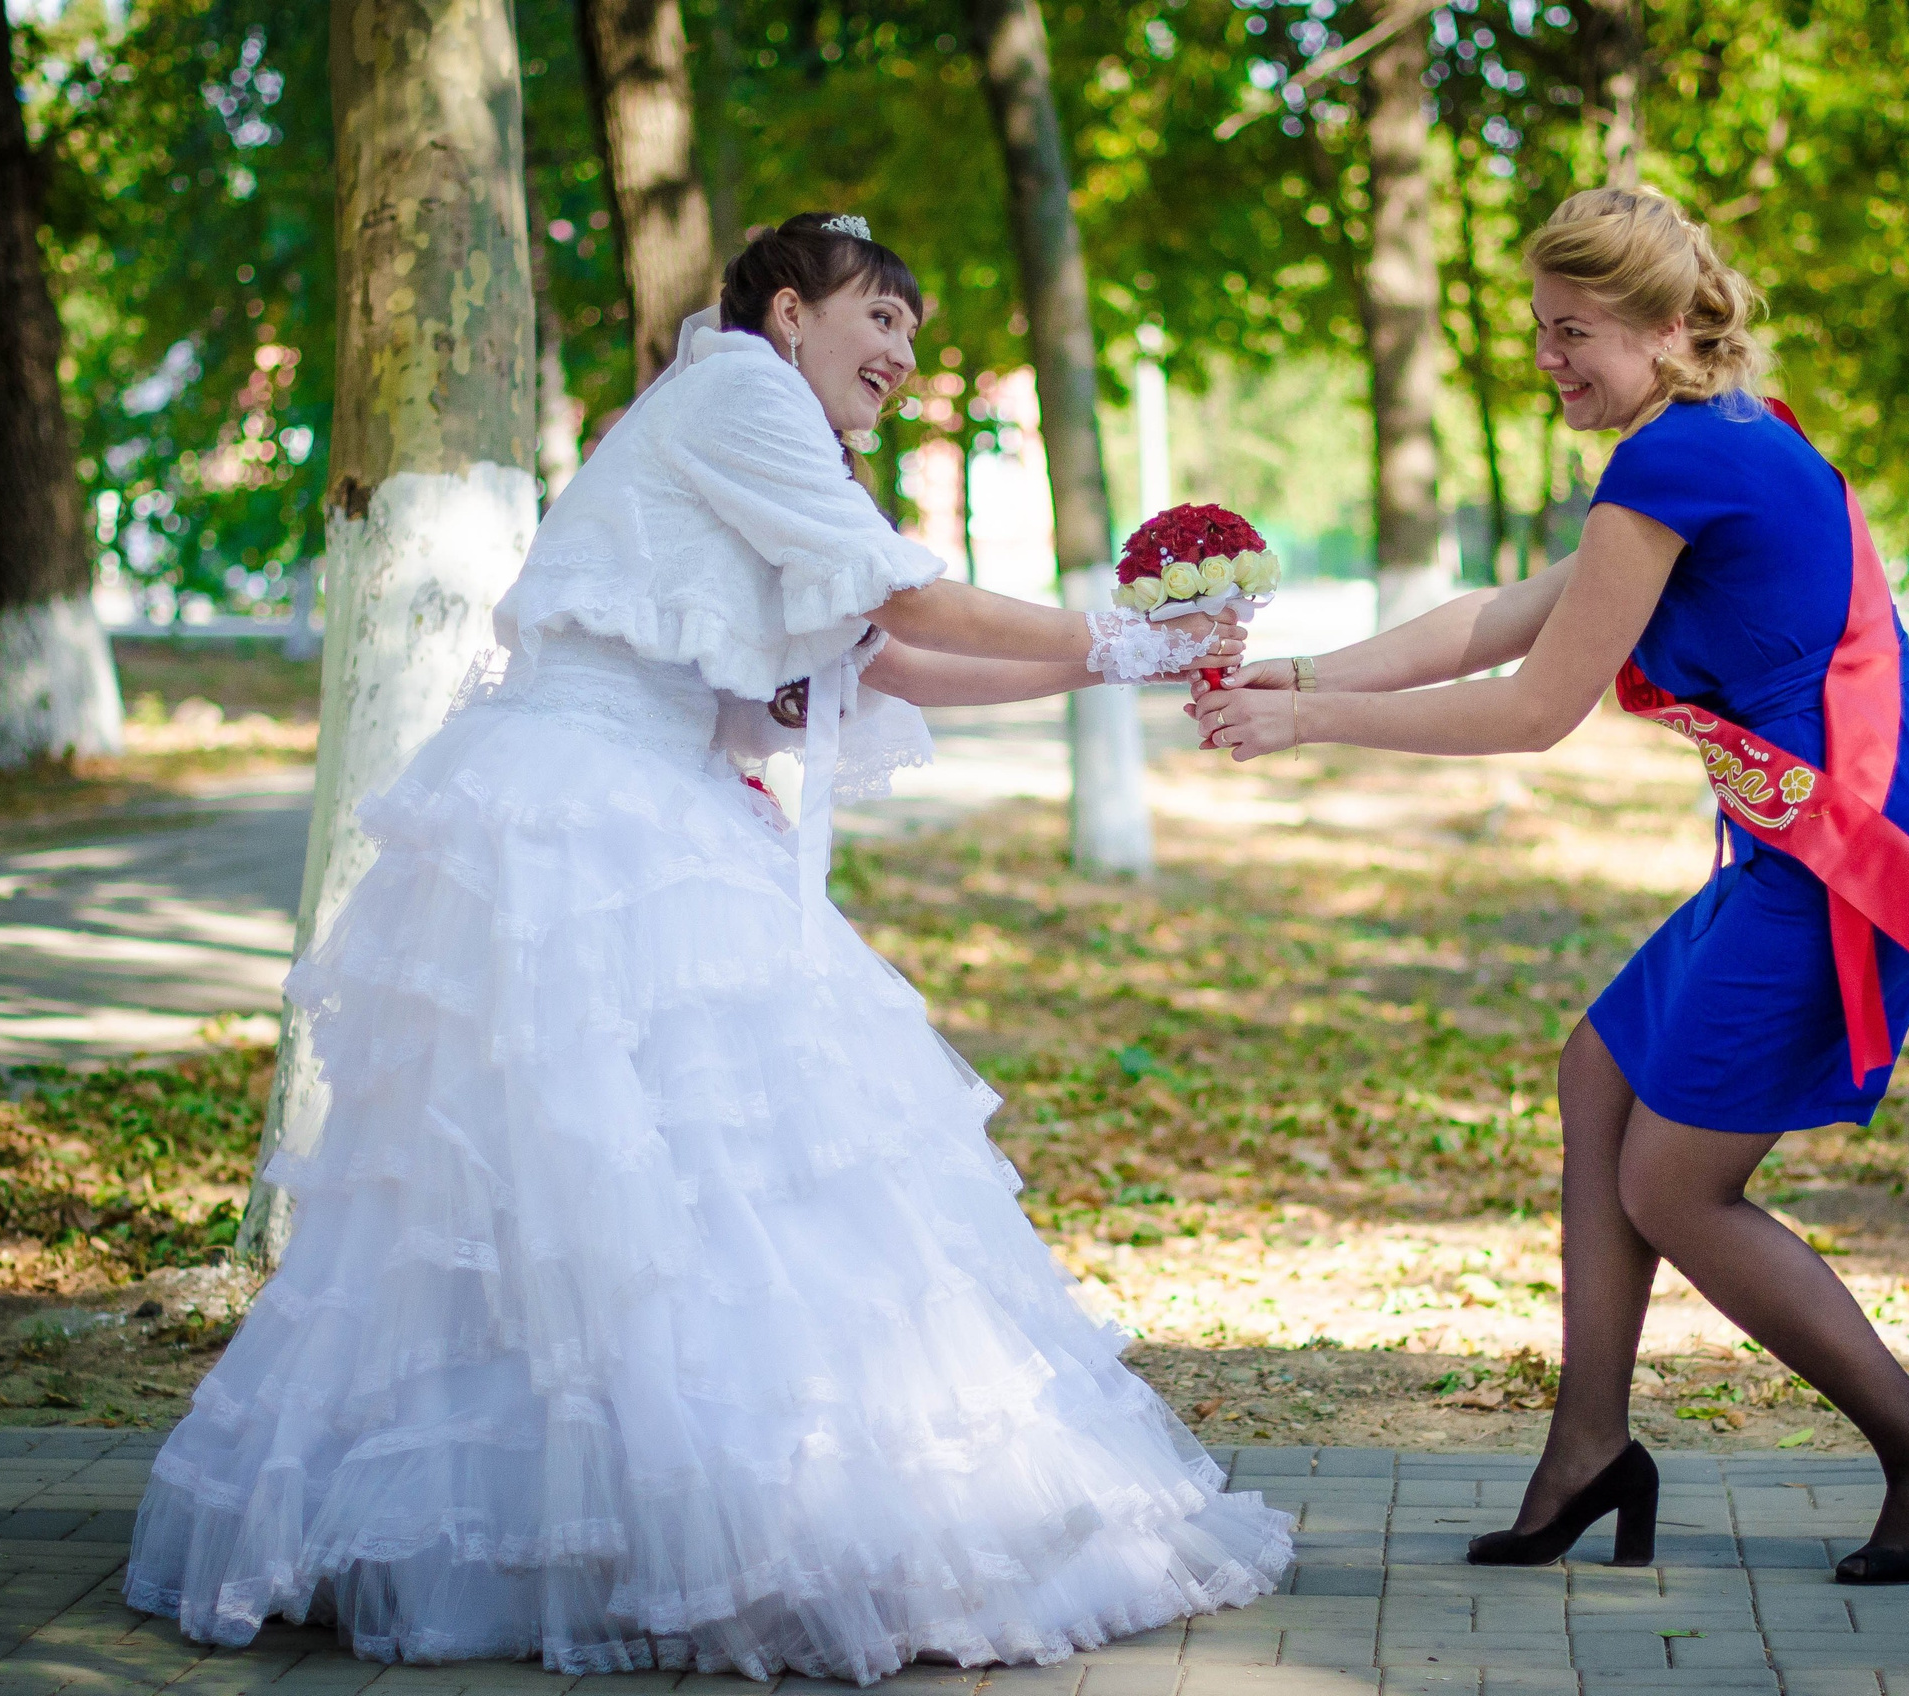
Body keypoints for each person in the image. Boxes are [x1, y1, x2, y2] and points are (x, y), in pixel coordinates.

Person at [125, 213, 1291, 1678]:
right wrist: (1114, 635)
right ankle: (634, 1519)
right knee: (612, 1186)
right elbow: (906, 598)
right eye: (883, 318)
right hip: (582, 814)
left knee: (658, 1182)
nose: (902, 354)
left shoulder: (767, 442)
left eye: (915, 338)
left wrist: (1114, 663)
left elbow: (890, 656)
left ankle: (623, 1513)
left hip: (650, 798)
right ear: (790, 314)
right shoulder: (741, 391)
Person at [1193, 187, 1909, 1586]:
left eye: (1573, 332)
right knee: (1599, 1074)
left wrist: (1308, 725)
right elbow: (1501, 618)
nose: (1549, 359)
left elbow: (1532, 706)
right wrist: (1299, 673)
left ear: (1669, 326)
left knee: (1677, 1188)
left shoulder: (1685, 458)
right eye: (1540, 330)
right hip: (1801, 833)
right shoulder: (1703, 443)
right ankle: (1589, 1447)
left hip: (1843, 848)